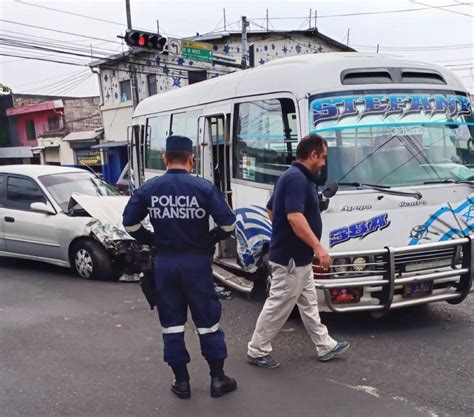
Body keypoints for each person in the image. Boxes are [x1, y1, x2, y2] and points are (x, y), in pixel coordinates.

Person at [122, 135, 237, 399]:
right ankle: (218, 379)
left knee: (172, 324)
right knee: (208, 322)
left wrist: (151, 240)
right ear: (192, 158)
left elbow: (130, 223)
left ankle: (182, 382)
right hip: (197, 264)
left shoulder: (150, 188)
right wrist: (209, 238)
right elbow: (228, 224)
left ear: (165, 159)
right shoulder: (204, 188)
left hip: (165, 264)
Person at [246, 134, 350, 368]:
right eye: (322, 157)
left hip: (297, 257)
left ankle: (325, 345)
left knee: (309, 303)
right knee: (280, 303)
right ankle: (257, 349)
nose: (324, 163)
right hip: (291, 259)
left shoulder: (295, 177)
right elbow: (294, 217)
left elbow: (272, 209)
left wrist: (285, 232)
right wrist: (317, 246)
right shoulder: (296, 180)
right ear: (313, 155)